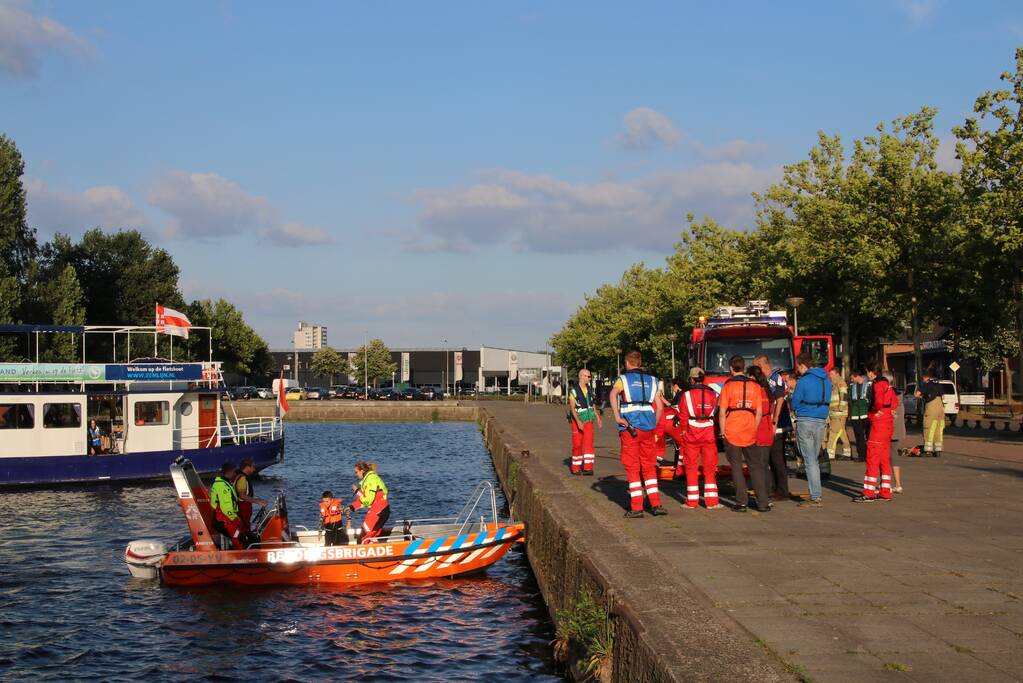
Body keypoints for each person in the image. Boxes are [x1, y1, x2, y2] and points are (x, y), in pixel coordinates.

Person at [609, 350, 666, 518]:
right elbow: (660, 407)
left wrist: (618, 416)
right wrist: (653, 423)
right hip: (648, 427)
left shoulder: (623, 379)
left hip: (630, 427)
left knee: (632, 466)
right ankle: (655, 504)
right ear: (640, 363)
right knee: (649, 465)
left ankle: (637, 507)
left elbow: (613, 395)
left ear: (627, 363)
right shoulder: (653, 381)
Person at [718, 355, 767, 512]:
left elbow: (722, 411)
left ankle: (742, 502)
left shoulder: (728, 386)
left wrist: (722, 431)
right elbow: (759, 411)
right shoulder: (755, 386)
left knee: (736, 467)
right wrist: (754, 426)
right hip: (750, 427)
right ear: (744, 367)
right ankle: (763, 502)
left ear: (731, 368)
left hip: (732, 428)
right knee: (756, 467)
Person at [790, 352, 832, 508]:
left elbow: (795, 401)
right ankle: (815, 492)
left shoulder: (804, 380)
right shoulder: (826, 379)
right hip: (821, 420)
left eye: (798, 367)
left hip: (806, 419)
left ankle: (815, 496)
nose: (798, 371)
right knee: (813, 457)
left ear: (803, 365)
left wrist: (794, 409)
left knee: (809, 460)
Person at [853, 362, 898, 502]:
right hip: (888, 424)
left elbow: (877, 402)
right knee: (884, 459)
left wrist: (873, 411)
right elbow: (895, 402)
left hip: (878, 425)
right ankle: (885, 491)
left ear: (872, 372)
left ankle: (869, 492)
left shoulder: (877, 384)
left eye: (867, 372)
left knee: (872, 457)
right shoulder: (888, 384)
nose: (867, 375)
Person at [680, 367, 721, 509]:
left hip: (691, 433)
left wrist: (684, 431)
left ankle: (692, 501)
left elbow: (683, 416)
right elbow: (716, 415)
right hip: (708, 432)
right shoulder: (713, 395)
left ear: (691, 379)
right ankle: (712, 502)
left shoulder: (686, 395)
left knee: (691, 467)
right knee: (710, 467)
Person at [753, 355, 791, 501]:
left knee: (777, 459)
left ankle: (782, 491)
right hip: (771, 424)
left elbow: (780, 400)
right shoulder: (766, 380)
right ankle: (775, 488)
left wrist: (775, 421)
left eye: (758, 367)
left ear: (763, 366)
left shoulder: (776, 378)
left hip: (778, 424)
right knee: (771, 459)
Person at [748, 365, 778, 508]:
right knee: (765, 464)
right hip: (767, 428)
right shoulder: (767, 391)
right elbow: (772, 410)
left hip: (758, 429)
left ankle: (763, 496)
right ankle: (769, 493)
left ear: (752, 377)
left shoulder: (754, 391)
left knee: (758, 466)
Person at [567, 369, 603, 475]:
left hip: (589, 419)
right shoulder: (573, 391)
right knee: (577, 445)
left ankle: (588, 467)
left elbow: (592, 405)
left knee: (589, 444)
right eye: (588, 376)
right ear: (582, 376)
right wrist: (578, 422)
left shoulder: (589, 390)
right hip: (578, 420)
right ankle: (576, 467)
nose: (590, 378)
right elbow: (572, 408)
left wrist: (598, 418)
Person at [349, 461, 391, 542]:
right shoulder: (368, 479)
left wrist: (357, 492)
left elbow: (368, 500)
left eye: (356, 472)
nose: (355, 474)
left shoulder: (370, 479)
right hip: (380, 510)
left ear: (362, 471)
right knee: (370, 536)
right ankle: (373, 550)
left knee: (362, 536)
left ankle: (360, 552)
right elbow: (366, 499)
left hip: (379, 510)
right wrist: (352, 507)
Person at [210, 462, 244, 549]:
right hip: (224, 518)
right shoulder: (223, 486)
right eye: (234, 472)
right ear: (228, 472)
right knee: (237, 537)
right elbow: (226, 507)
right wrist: (235, 518)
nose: (235, 474)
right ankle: (242, 555)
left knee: (239, 535)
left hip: (221, 517)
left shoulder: (223, 483)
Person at [234, 458, 267, 543]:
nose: (254, 469)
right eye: (253, 466)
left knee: (244, 525)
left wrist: (257, 499)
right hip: (242, 506)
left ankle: (245, 540)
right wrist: (257, 501)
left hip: (243, 506)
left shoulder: (239, 476)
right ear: (247, 467)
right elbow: (242, 495)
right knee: (244, 525)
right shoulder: (242, 479)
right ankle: (245, 543)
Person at [655, 377, 685, 468]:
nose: (672, 388)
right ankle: (680, 468)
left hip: (662, 421)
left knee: (660, 448)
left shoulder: (679, 395)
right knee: (683, 445)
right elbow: (677, 409)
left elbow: (671, 407)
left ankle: (653, 468)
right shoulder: (682, 395)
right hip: (673, 422)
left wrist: (661, 398)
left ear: (676, 386)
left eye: (672, 386)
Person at [916, 369, 945, 457]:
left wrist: (922, 397)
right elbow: (943, 396)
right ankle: (938, 449)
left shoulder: (926, 384)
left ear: (925, 377)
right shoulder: (938, 384)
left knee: (928, 427)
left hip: (931, 407)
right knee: (938, 428)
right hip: (940, 407)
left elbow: (917, 394)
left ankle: (928, 450)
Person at [826, 368, 852, 460]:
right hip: (834, 413)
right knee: (842, 433)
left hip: (839, 413)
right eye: (830, 374)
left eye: (832, 374)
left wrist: (840, 408)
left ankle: (830, 453)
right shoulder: (834, 384)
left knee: (833, 432)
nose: (830, 376)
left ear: (837, 374)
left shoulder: (841, 383)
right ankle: (847, 452)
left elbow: (844, 396)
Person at [847, 367, 871, 462]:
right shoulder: (852, 386)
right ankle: (862, 455)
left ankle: (870, 454)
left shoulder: (869, 385)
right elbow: (850, 400)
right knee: (858, 436)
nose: (851, 380)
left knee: (869, 435)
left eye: (852, 378)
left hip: (866, 413)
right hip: (855, 414)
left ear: (857, 376)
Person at [888, 372, 906, 493]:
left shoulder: (888, 394)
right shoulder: (899, 394)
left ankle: (885, 484)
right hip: (898, 430)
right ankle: (898, 484)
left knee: (885, 457)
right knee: (894, 456)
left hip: (888, 429)